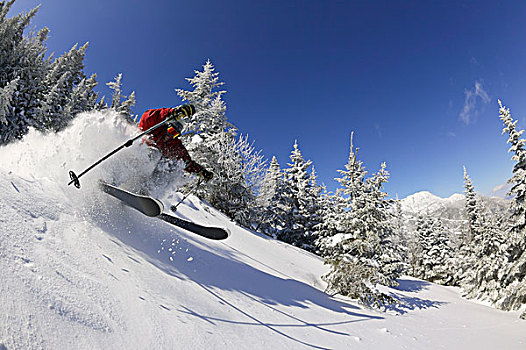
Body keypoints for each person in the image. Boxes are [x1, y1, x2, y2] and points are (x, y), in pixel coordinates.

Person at [138, 105, 213, 185]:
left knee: (171, 166)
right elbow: (148, 117)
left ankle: (149, 190)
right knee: (154, 153)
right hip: (137, 157)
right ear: (167, 126)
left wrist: (201, 171)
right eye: (171, 131)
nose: (170, 135)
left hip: (149, 174)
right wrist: (172, 113)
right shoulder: (155, 127)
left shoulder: (173, 144)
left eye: (174, 134)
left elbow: (186, 161)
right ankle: (134, 179)